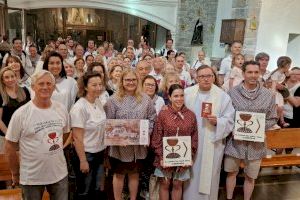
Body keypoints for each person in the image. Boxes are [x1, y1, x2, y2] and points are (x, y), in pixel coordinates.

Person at [5, 70, 70, 200]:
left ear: (53, 87)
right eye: (41, 84)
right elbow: (10, 146)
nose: (45, 87)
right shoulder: (21, 114)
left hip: (59, 174)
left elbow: (66, 134)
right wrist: (15, 173)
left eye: (49, 83)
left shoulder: (61, 109)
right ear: (33, 87)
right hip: (31, 177)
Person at [224, 61, 278, 200]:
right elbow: (226, 116)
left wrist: (257, 129)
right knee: (231, 173)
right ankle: (229, 198)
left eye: (256, 72)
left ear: (259, 73)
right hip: (235, 142)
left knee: (251, 176)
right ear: (243, 73)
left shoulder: (268, 95)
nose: (253, 75)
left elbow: (272, 118)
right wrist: (232, 128)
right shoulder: (232, 93)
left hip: (256, 143)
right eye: (250, 72)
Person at [183, 65, 235, 200]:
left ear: (213, 77)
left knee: (209, 175)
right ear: (196, 78)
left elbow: (230, 120)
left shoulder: (223, 96)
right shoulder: (187, 93)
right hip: (190, 142)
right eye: (202, 76)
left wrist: (218, 121)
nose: (206, 79)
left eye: (209, 76)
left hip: (212, 142)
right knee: (191, 175)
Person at [104, 69, 156, 200]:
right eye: (127, 80)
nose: (130, 82)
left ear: (138, 81)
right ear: (121, 81)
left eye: (133, 80)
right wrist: (118, 137)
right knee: (119, 174)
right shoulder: (112, 100)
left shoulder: (146, 100)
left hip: (138, 147)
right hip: (119, 147)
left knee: (134, 174)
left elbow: (152, 118)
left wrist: (146, 133)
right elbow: (107, 123)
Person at [151, 84, 198, 200]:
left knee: (177, 184)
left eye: (182, 95)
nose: (179, 99)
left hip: (182, 157)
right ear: (170, 97)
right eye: (176, 96)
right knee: (165, 183)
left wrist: (189, 155)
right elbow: (157, 136)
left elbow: (194, 137)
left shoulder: (190, 115)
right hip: (164, 156)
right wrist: (161, 156)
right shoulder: (163, 114)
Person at [71, 72, 107, 199]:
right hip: (86, 154)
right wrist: (83, 160)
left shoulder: (97, 101)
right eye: (94, 85)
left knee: (96, 190)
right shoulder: (79, 107)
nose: (98, 88)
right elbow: (77, 137)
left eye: (100, 84)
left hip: (99, 152)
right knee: (84, 192)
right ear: (85, 87)